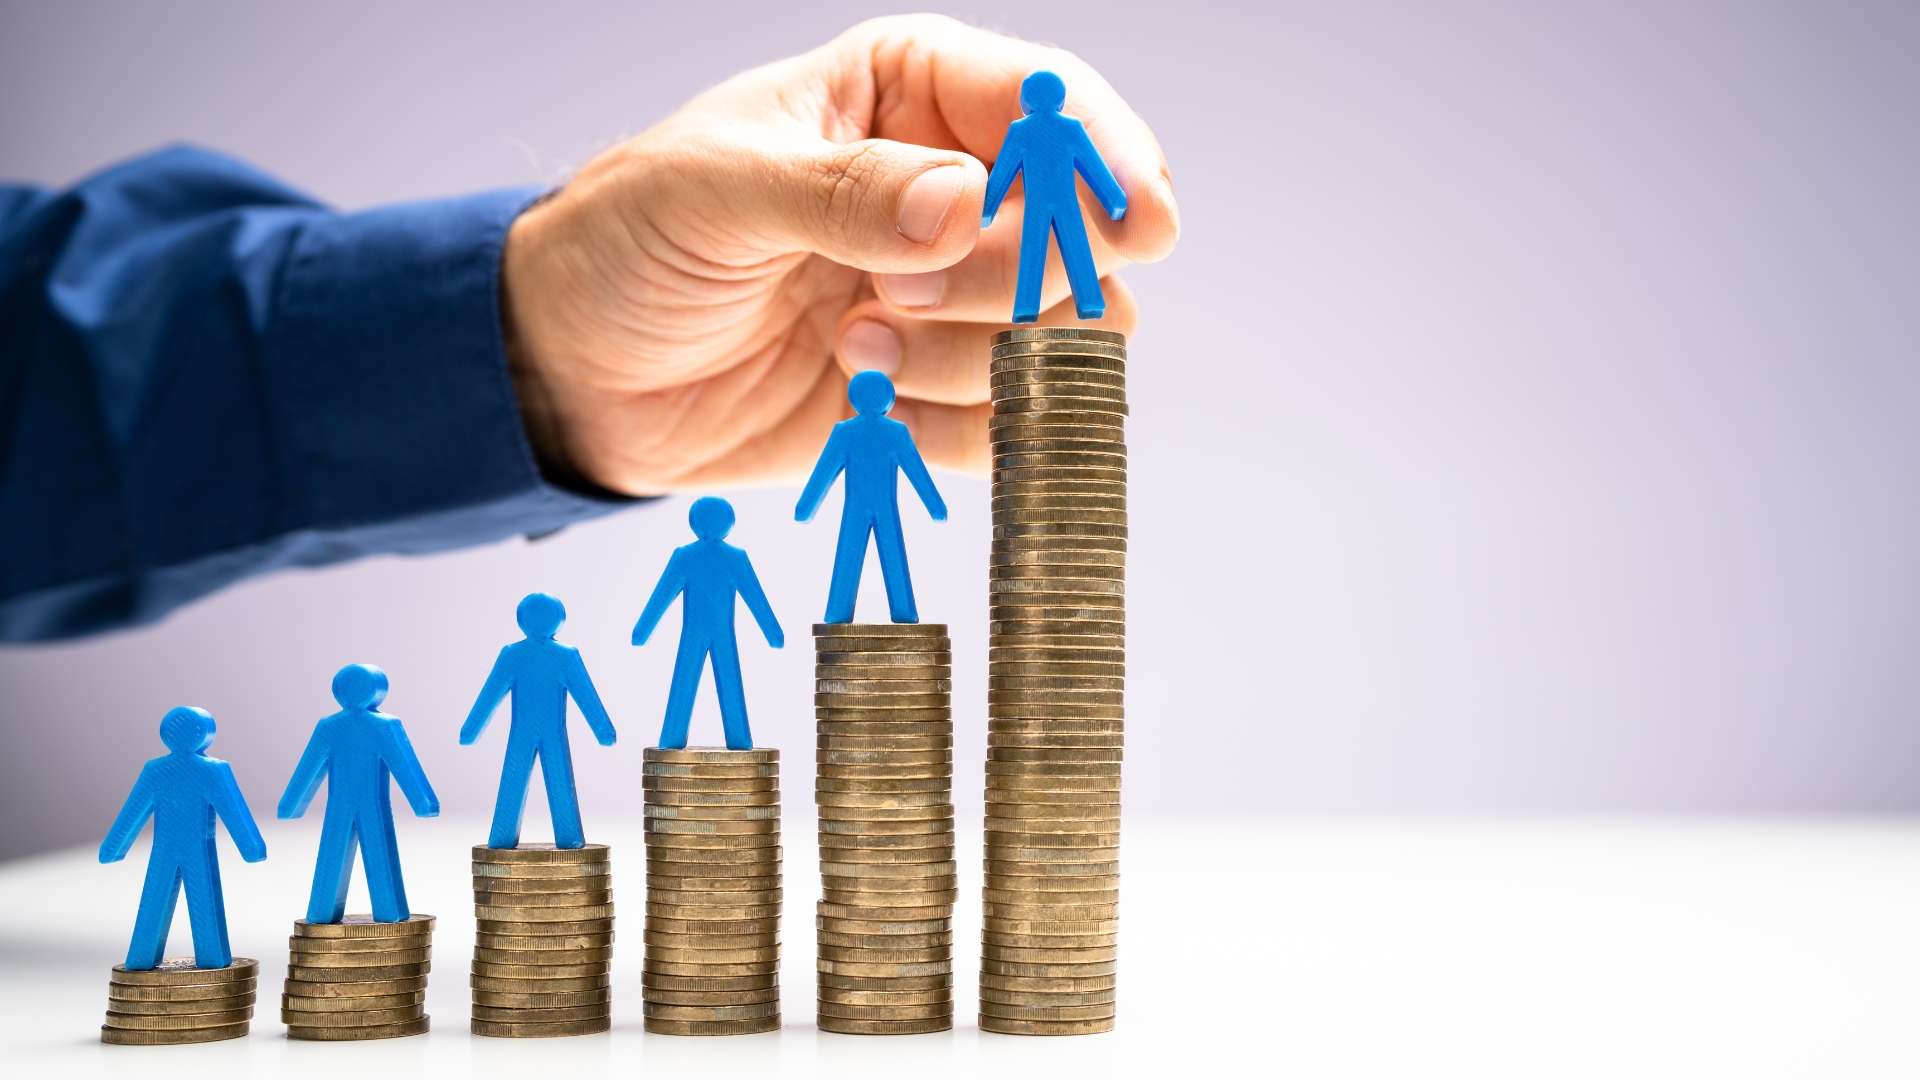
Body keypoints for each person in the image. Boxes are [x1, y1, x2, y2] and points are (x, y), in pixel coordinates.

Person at [0, 16, 1177, 643]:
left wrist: (527, 349)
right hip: (881, 412)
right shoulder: (1034, 140)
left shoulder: (1040, 140)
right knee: (1037, 277)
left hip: (671, 383)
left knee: (1047, 273)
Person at [100, 706, 268, 970]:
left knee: (159, 898)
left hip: (170, 848)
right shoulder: (210, 770)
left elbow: (132, 812)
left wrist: (113, 847)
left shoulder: (159, 769)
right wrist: (250, 847)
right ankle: (210, 958)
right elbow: (233, 810)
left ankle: (143, 956)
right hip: (189, 849)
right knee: (201, 901)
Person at [279, 663, 440, 923]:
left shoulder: (334, 726)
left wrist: (291, 804)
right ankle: (386, 911)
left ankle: (325, 911)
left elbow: (308, 769)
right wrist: (422, 802)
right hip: (365, 805)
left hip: (348, 805)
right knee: (376, 854)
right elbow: (404, 764)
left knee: (341, 855)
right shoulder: (379, 726)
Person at [459, 592, 617, 849]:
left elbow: (489, 695)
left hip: (525, 732)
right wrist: (603, 730)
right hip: (549, 733)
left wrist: (471, 730)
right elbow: (587, 696)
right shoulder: (563, 656)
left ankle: (504, 836)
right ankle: (568, 837)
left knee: (517, 778)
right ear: (559, 619)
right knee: (559, 779)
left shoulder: (513, 655)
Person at [631, 497, 785, 750]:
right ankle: (738, 738)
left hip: (698, 632)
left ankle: (675, 736)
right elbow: (756, 598)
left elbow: (661, 597)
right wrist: (772, 633)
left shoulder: (686, 556)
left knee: (686, 680)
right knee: (727, 680)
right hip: (718, 632)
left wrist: (643, 630)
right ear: (729, 523)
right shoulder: (734, 557)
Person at [795, 370, 948, 623]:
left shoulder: (846, 432)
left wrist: (806, 507)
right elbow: (916, 472)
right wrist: (935, 506)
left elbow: (824, 472)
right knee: (892, 555)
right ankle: (903, 611)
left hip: (858, 507)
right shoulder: (894, 432)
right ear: (888, 398)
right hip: (882, 507)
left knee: (849, 554)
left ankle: (839, 611)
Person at [984, 70, 1130, 322]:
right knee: (1077, 247)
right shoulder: (1070, 128)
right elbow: (1093, 165)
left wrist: (987, 208)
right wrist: (1113, 198)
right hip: (1065, 201)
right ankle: (1090, 300)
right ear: (1060, 100)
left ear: (1025, 100)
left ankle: (1027, 307)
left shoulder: (1021, 130)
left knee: (1033, 250)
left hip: (1038, 204)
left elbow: (1003, 171)